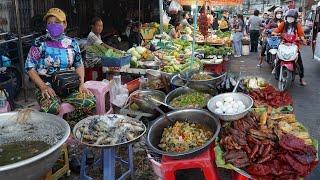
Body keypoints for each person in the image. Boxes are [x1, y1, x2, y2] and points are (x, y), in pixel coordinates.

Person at [25, 8, 96, 117]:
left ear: (65, 24)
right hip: (47, 87)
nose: (53, 25)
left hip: (70, 86)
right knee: (52, 108)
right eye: (50, 23)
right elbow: (30, 67)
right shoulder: (39, 42)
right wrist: (43, 86)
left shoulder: (72, 43)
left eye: (57, 22)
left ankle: (71, 122)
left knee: (90, 102)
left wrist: (81, 84)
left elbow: (79, 64)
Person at [272, 9, 307, 86]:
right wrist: (275, 33)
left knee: (299, 62)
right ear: (286, 17)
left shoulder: (297, 25)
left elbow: (301, 34)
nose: (290, 19)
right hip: (283, 43)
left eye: (292, 18)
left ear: (295, 19)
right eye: (289, 17)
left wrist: (302, 39)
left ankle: (301, 79)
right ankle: (276, 69)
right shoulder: (283, 24)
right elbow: (276, 30)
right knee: (278, 56)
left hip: (294, 44)